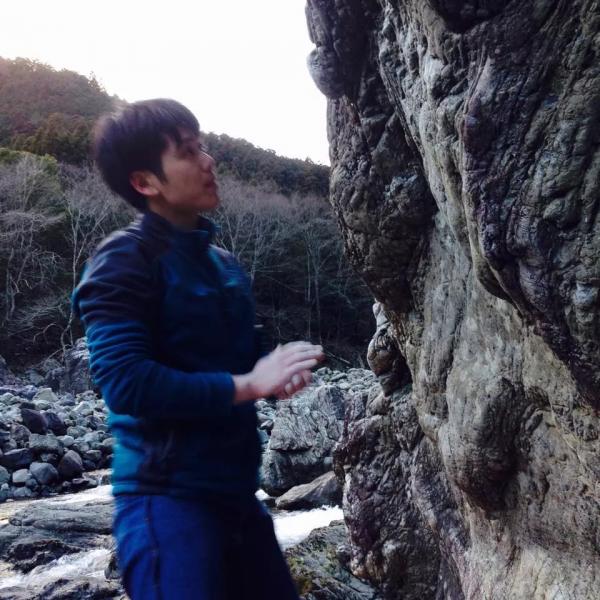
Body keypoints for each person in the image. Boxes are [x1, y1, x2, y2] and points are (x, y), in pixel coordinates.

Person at [72, 98, 324, 599]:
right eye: (188, 152)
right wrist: (249, 384)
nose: (208, 161)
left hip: (239, 498)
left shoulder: (223, 264)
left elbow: (243, 365)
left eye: (203, 146)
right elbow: (127, 384)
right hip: (167, 504)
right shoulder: (123, 260)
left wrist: (275, 378)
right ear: (145, 181)